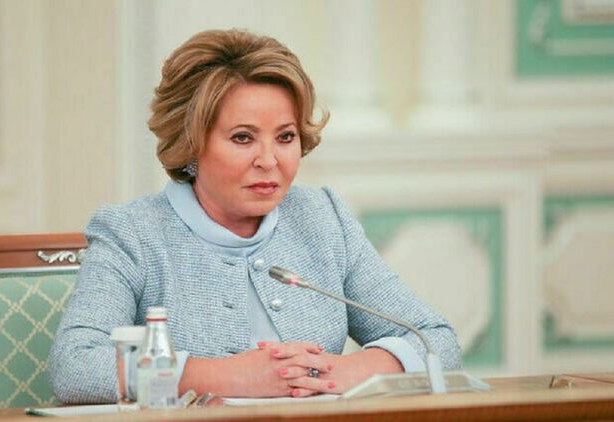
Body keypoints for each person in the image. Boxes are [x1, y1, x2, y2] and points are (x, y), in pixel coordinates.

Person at [49, 29, 461, 403]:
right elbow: (75, 366)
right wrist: (223, 377)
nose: (269, 160)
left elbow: (436, 341)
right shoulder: (131, 233)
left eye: (286, 137)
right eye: (243, 138)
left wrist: (339, 371)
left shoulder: (322, 219)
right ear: (190, 143)